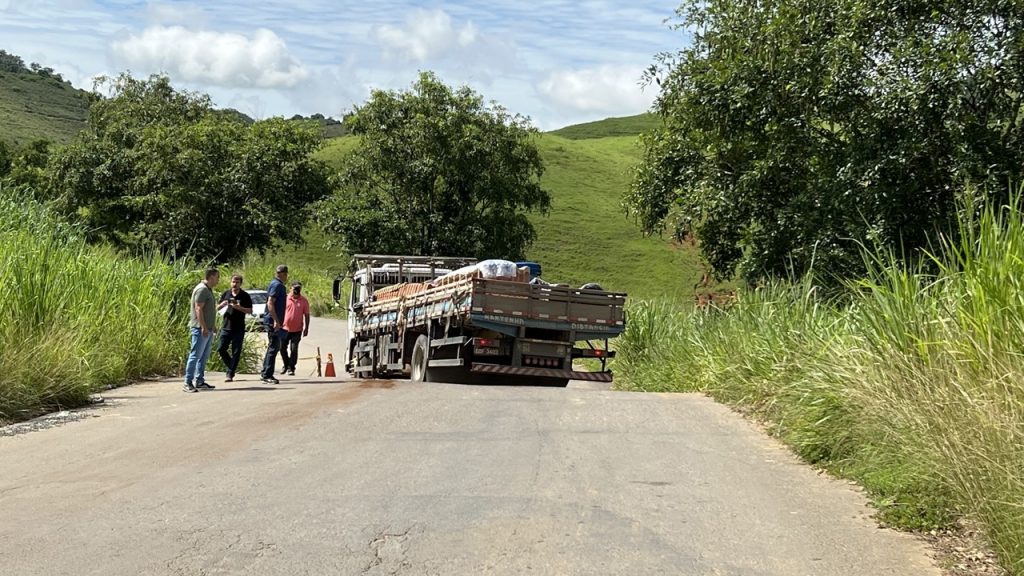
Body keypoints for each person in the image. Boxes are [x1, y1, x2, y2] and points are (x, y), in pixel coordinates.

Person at [184, 267, 220, 393]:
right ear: (211, 277)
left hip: (208, 328)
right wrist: (203, 326)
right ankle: (188, 382)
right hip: (200, 329)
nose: (218, 280)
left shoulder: (208, 289)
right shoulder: (202, 289)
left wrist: (212, 325)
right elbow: (198, 308)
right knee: (195, 355)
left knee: (203, 356)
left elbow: (208, 310)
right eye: (217, 277)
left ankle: (200, 381)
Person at [216, 274, 253, 382]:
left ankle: (230, 373)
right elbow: (217, 308)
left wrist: (239, 307)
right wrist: (222, 305)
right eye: (233, 282)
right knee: (221, 349)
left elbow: (250, 311)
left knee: (236, 351)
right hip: (226, 326)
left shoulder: (245, 295)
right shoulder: (226, 294)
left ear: (240, 283)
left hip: (238, 328)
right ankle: (231, 366)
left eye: (237, 282)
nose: (234, 284)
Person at [260, 264, 289, 384]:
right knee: (274, 347)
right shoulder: (277, 285)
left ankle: (265, 372)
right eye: (286, 274)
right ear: (283, 274)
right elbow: (270, 303)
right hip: (273, 322)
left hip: (273, 320)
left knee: (273, 346)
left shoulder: (276, 284)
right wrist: (276, 320)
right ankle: (267, 374)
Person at [279, 282, 311, 376]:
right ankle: (286, 364)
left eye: (298, 289)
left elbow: (307, 315)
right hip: (284, 328)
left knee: (294, 349)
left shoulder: (304, 300)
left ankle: (291, 367)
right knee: (282, 348)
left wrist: (306, 328)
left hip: (297, 330)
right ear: (290, 289)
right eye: (294, 289)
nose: (296, 291)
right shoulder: (285, 299)